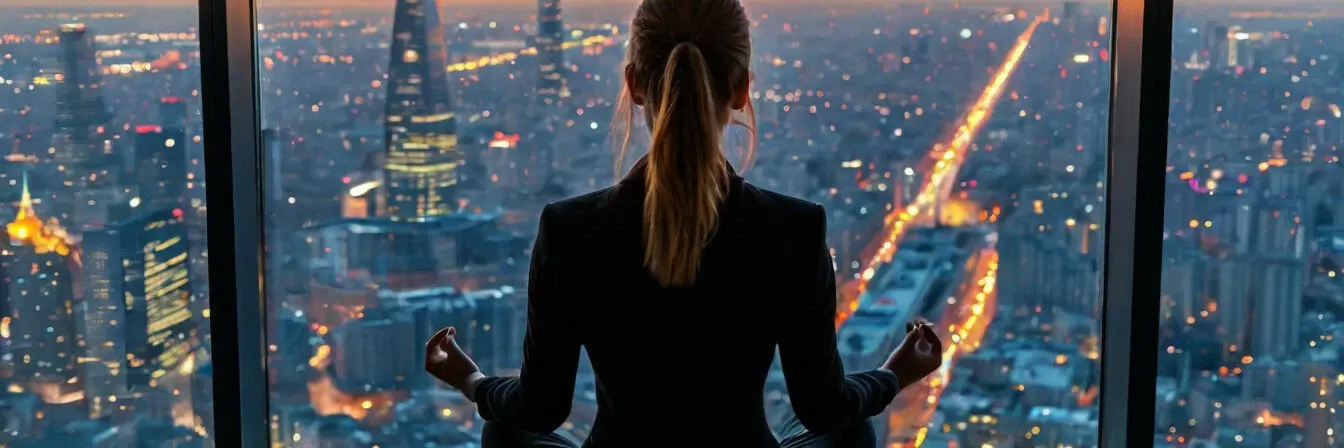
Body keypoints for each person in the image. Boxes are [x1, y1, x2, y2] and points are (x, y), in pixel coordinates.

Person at [424, 0, 944, 446]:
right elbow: (824, 410)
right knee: (853, 432)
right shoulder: (793, 228)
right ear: (742, 90)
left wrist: (470, 380)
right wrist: (892, 374)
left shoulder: (570, 229)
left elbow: (540, 410)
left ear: (633, 86)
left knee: (502, 430)